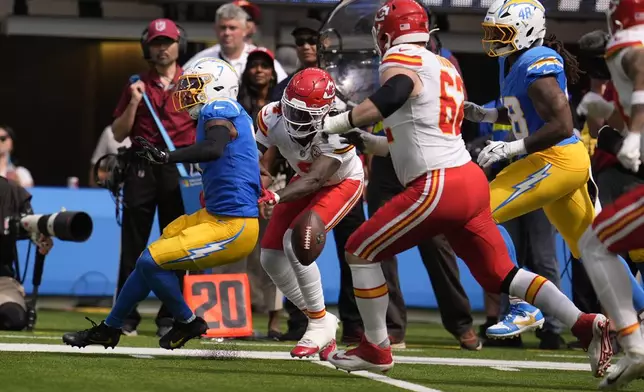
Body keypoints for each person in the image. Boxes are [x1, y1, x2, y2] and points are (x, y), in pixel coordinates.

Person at [319, 0, 609, 375]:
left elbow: (392, 96)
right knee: (500, 274)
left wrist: (335, 124)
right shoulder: (442, 65)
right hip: (466, 178)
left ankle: (376, 347)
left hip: (438, 184)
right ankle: (585, 325)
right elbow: (414, 136)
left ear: (386, 31)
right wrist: (364, 140)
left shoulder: (399, 60)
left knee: (360, 249)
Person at [462, 0, 644, 348]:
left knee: (478, 212)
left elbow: (562, 124)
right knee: (595, 247)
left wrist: (513, 148)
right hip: (563, 160)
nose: (494, 40)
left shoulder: (536, 60)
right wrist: (484, 116)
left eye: (501, 33)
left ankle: (522, 304)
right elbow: (521, 111)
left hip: (557, 157)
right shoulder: (513, 59)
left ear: (526, 30)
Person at [62, 58, 263, 350]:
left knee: (150, 260)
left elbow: (214, 147)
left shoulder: (219, 107)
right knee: (148, 260)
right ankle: (111, 327)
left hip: (233, 225)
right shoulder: (228, 113)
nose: (189, 92)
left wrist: (168, 156)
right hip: (215, 216)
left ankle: (185, 320)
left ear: (217, 87)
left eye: (196, 85)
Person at [256, 68, 364, 358]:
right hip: (302, 178)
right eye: (292, 109)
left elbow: (316, 180)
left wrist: (275, 196)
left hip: (342, 181)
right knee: (270, 256)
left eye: (304, 115)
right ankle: (322, 319)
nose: (294, 119)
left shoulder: (339, 124)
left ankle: (317, 324)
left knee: (297, 239)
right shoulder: (271, 115)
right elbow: (252, 154)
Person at [110, 18, 195, 337]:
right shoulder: (136, 83)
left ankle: (171, 316)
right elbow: (118, 132)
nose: (162, 48)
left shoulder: (193, 83)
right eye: (157, 42)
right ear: (147, 46)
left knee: (178, 246)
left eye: (168, 42)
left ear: (179, 45)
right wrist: (133, 100)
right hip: (141, 168)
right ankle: (126, 316)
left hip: (179, 169)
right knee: (132, 247)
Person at [577, 0, 644, 387]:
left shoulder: (630, 47)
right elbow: (624, 108)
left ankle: (635, 347)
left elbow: (640, 74)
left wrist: (633, 136)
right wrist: (600, 106)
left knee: (595, 243)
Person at [184, 3, 287, 83]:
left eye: (232, 28)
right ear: (215, 29)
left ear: (245, 30)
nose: (227, 33)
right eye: (222, 27)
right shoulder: (202, 59)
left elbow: (283, 89)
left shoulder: (262, 59)